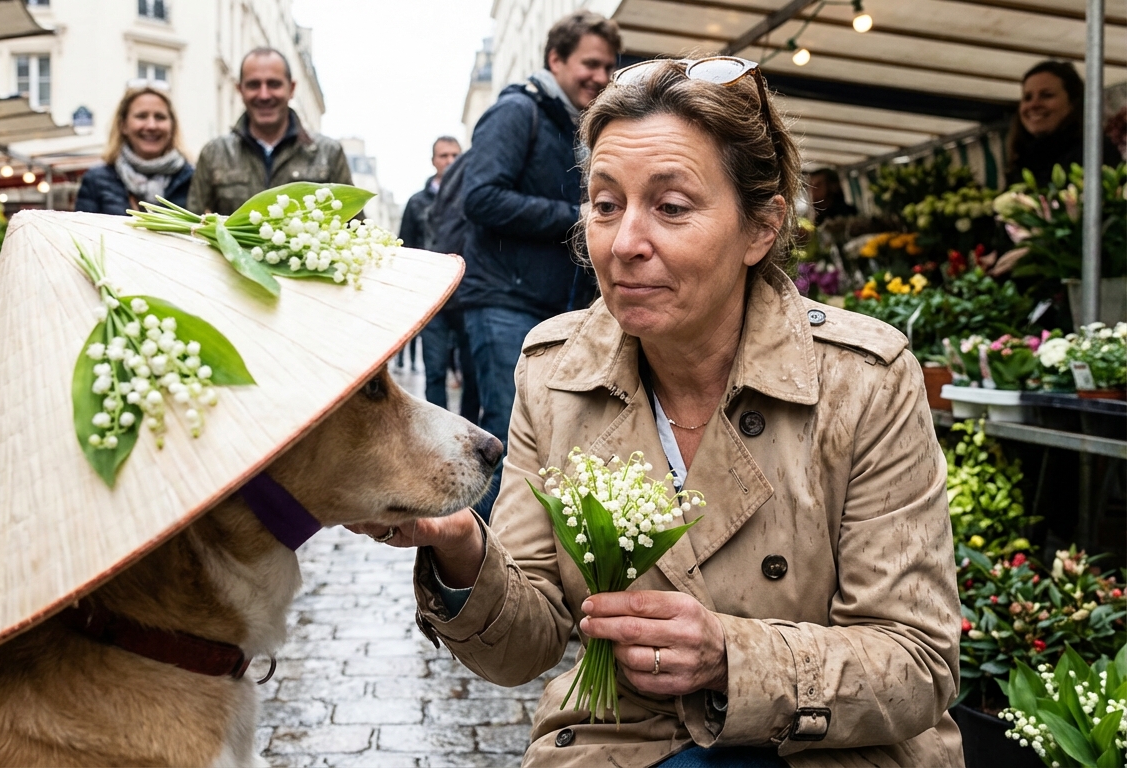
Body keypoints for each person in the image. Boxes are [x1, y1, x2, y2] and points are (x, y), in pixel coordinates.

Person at [351, 57, 962, 767]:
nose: (625, 242)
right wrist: (461, 545)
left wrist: (731, 656)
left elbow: (917, 661)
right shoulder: (556, 375)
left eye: (671, 208)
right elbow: (527, 643)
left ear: (761, 229)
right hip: (623, 744)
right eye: (606, 204)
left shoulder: (864, 380)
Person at [459, 10, 620, 518]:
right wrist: (573, 216)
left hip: (550, 306)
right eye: (590, 64)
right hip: (503, 301)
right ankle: (474, 578)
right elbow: (480, 196)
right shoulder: (516, 111)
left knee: (545, 447)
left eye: (608, 67)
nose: (600, 77)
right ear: (556, 59)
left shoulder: (574, 124)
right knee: (500, 447)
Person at [186, 48, 352, 216]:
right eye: (253, 85)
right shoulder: (214, 153)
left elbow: (353, 223)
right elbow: (190, 223)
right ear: (240, 90)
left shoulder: (329, 153)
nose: (264, 95)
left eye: (274, 84)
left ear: (292, 88)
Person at [400, 136, 478, 419]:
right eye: (444, 156)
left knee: (471, 372)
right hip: (432, 299)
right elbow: (405, 246)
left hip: (468, 295)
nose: (450, 161)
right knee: (434, 371)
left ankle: (469, 430)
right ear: (433, 160)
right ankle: (438, 432)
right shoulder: (416, 203)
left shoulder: (472, 196)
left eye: (455, 155)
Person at [75, 84, 192, 215]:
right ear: (123, 125)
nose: (151, 125)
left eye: (160, 117)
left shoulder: (193, 179)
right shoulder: (96, 180)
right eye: (141, 116)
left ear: (172, 126)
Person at [1005, 60, 1123, 186]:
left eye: (1046, 95)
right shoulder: (1022, 159)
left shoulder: (1093, 151)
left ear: (1073, 103)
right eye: (1027, 97)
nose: (1034, 104)